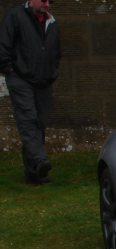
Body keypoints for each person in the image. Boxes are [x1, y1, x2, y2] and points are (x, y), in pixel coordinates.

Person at [0, 0, 61, 185]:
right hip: (20, 78)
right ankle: (40, 161)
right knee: (28, 119)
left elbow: (56, 52)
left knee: (39, 123)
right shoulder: (16, 16)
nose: (47, 4)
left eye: (49, 1)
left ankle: (34, 173)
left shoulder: (51, 22)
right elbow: (4, 44)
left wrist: (52, 73)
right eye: (43, 1)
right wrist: (9, 69)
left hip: (43, 80)